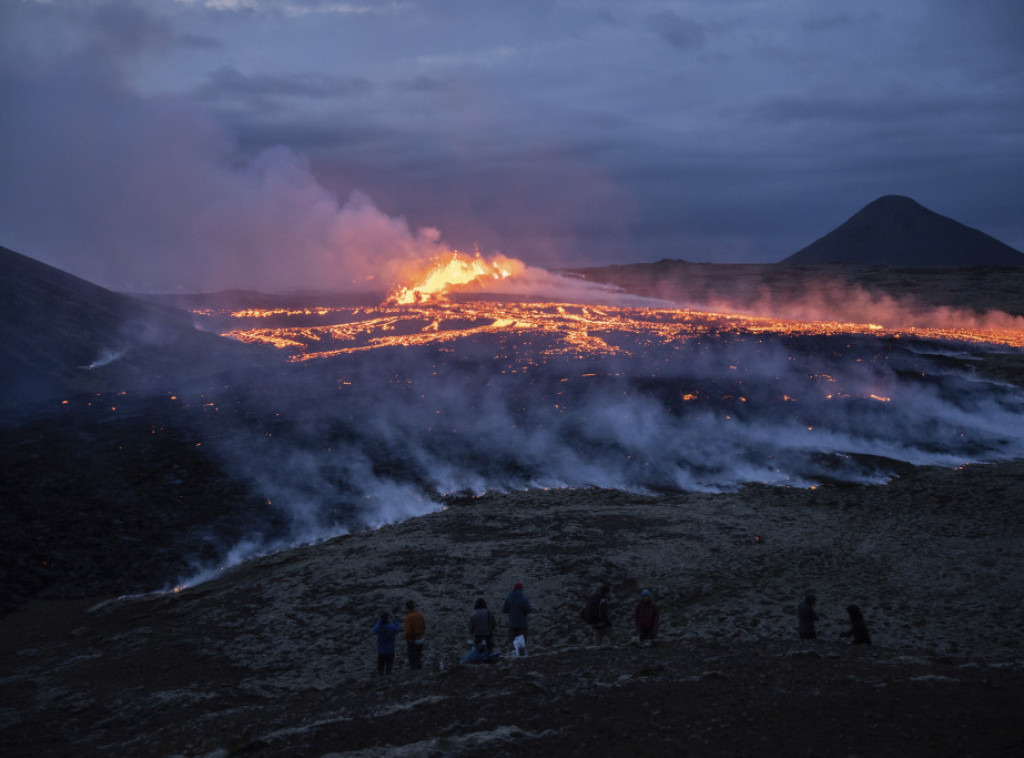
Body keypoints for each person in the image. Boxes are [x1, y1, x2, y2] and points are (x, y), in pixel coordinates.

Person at [501, 582, 534, 649]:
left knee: (512, 644)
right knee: (521, 644)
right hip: (522, 624)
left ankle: (513, 656)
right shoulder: (524, 598)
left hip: (512, 624)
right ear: (521, 589)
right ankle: (521, 657)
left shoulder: (508, 598)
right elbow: (530, 610)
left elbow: (504, 610)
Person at [372, 611, 402, 675]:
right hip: (390, 650)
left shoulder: (378, 628)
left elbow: (373, 630)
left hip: (381, 650)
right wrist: (393, 619)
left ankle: (380, 678)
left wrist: (379, 620)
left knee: (380, 665)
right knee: (389, 665)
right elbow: (398, 629)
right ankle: (388, 678)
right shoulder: (391, 627)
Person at [403, 600, 426, 669]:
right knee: (419, 656)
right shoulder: (420, 615)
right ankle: (420, 671)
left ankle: (415, 672)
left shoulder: (408, 617)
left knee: (413, 658)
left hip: (413, 640)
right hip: (421, 638)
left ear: (406, 608)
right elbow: (424, 626)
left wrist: (408, 640)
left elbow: (408, 632)